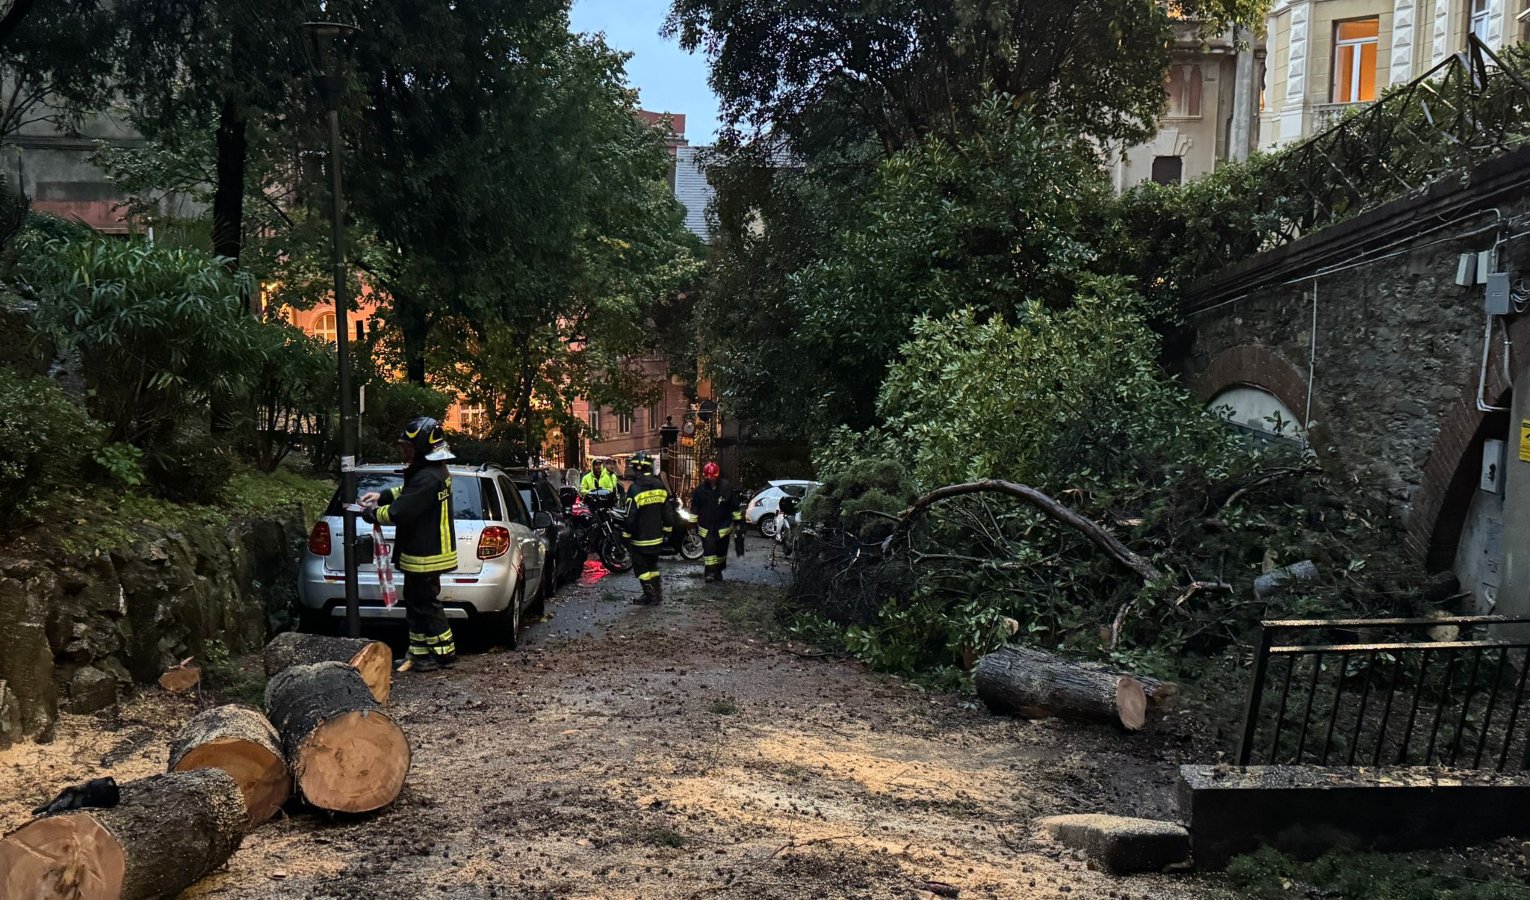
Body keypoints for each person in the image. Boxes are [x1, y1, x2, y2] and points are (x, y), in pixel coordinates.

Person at [360, 416, 458, 671]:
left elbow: (400, 512)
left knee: (424, 603)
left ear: (423, 447)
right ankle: (419, 653)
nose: (404, 451)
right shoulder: (432, 472)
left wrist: (372, 513)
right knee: (417, 602)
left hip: (426, 553)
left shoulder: (428, 476)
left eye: (409, 447)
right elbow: (408, 492)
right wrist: (382, 495)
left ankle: (443, 653)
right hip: (426, 550)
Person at [621, 451, 676, 605]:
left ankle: (650, 595)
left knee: (641, 568)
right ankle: (657, 594)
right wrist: (667, 531)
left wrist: (625, 534)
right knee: (653, 566)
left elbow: (630, 516)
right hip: (657, 538)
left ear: (637, 468)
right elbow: (668, 512)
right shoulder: (659, 485)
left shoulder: (634, 489)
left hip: (640, 540)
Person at [690, 461, 744, 582]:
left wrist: (737, 522)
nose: (712, 480)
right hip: (706, 527)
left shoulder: (726, 487)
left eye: (714, 478)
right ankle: (709, 573)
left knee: (721, 553)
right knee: (709, 551)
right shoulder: (700, 490)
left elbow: (734, 506)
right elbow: (694, 507)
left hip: (723, 527)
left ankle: (718, 571)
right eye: (709, 478)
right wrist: (692, 524)